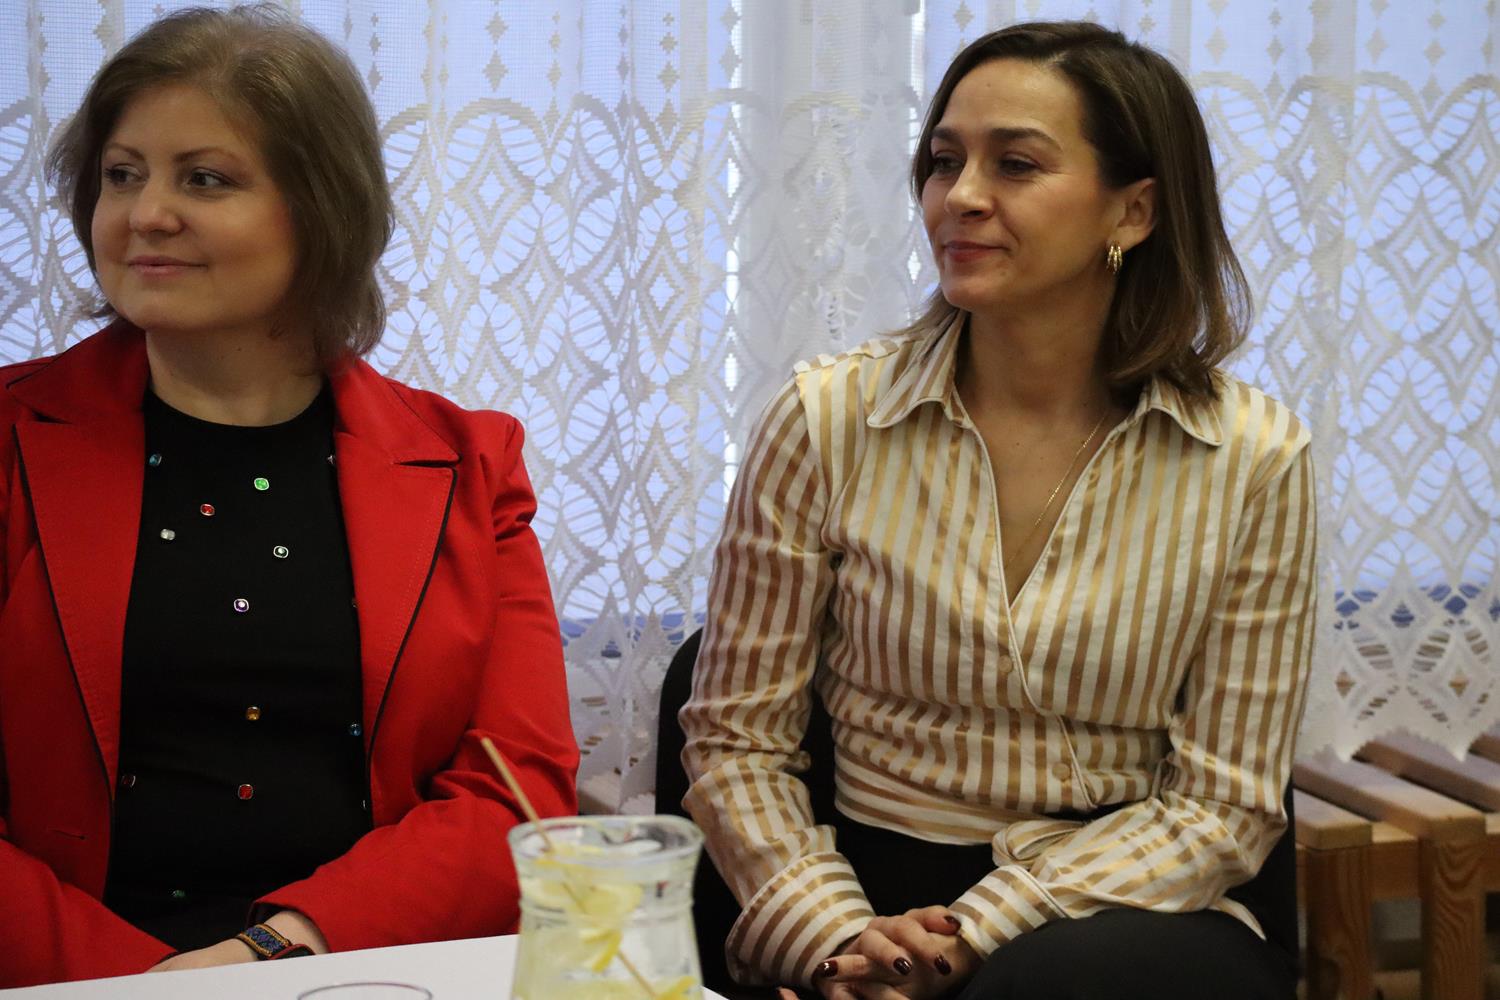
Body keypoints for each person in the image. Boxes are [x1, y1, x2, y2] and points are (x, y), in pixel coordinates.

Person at [680, 20, 1314, 1000]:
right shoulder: (826, 417)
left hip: (1127, 905)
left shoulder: (1254, 455)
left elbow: (1226, 804)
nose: (960, 196)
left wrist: (976, 933)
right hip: (862, 896)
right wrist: (846, 938)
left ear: (1134, 211)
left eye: (1015, 163)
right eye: (944, 161)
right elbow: (736, 745)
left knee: (1059, 984)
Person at [0, 5, 577, 988]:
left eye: (205, 178)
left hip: (364, 965)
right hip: (66, 974)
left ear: (322, 209)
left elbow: (514, 793)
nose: (144, 214)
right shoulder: (13, 442)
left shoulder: (470, 463)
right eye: (122, 174)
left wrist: (268, 958)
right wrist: (146, 985)